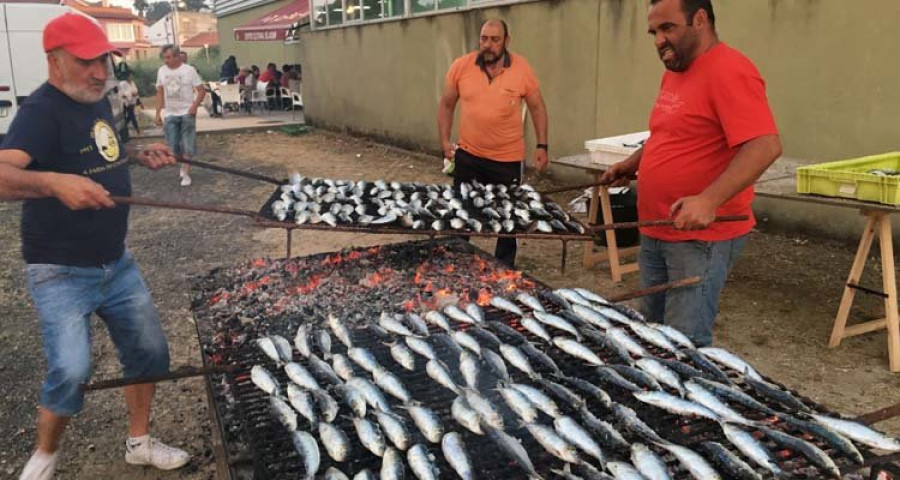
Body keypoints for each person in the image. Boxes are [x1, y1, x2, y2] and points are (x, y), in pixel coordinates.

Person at [0, 13, 191, 480]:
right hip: (61, 269)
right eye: (86, 62)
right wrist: (51, 183)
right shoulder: (40, 111)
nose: (100, 71)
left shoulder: (94, 99)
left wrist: (135, 155)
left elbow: (99, 150)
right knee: (71, 369)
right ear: (55, 60)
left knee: (150, 355)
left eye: (103, 59)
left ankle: (139, 443)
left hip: (116, 262)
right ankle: (45, 456)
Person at [600, 0, 782, 347]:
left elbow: (765, 145)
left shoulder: (730, 70)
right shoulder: (676, 70)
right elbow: (670, 133)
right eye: (654, 32)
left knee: (685, 344)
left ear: (700, 20)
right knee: (649, 333)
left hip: (701, 238)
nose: (658, 40)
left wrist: (709, 200)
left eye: (668, 28)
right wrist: (635, 162)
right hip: (656, 228)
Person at [437, 18, 549, 268]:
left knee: (507, 219)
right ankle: (457, 264)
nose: (488, 45)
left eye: (495, 39)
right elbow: (446, 105)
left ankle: (503, 270)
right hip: (469, 156)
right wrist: (445, 142)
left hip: (507, 160)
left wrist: (542, 146)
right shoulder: (461, 66)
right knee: (462, 213)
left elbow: (538, 108)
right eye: (484, 38)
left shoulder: (522, 69)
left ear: (506, 41)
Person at [155, 44, 205, 187]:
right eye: (164, 57)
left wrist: (194, 107)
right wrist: (158, 113)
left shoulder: (189, 71)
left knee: (188, 145)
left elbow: (201, 91)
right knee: (173, 147)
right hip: (170, 114)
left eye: (169, 57)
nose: (166, 60)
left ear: (177, 57)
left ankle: (185, 172)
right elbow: (159, 92)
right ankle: (182, 164)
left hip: (186, 113)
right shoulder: (161, 71)